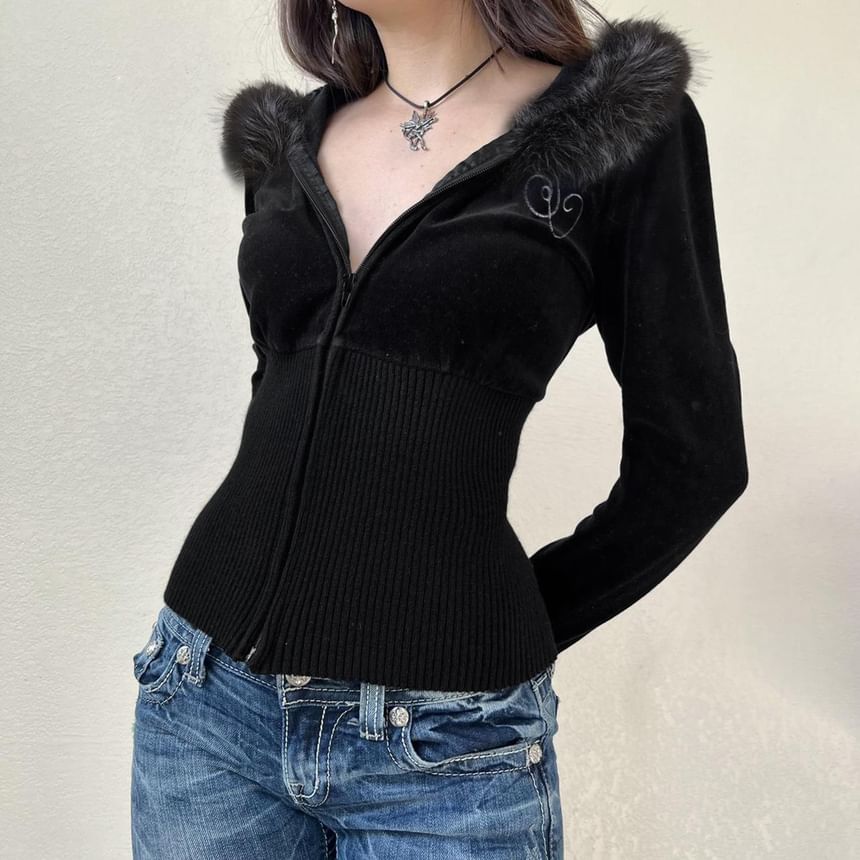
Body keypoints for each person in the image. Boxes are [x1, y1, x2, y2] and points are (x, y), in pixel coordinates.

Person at [130, 1, 749, 857]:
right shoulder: (286, 141)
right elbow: (281, 386)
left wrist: (508, 621)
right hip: (204, 702)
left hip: (447, 749)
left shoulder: (619, 125)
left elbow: (696, 460)